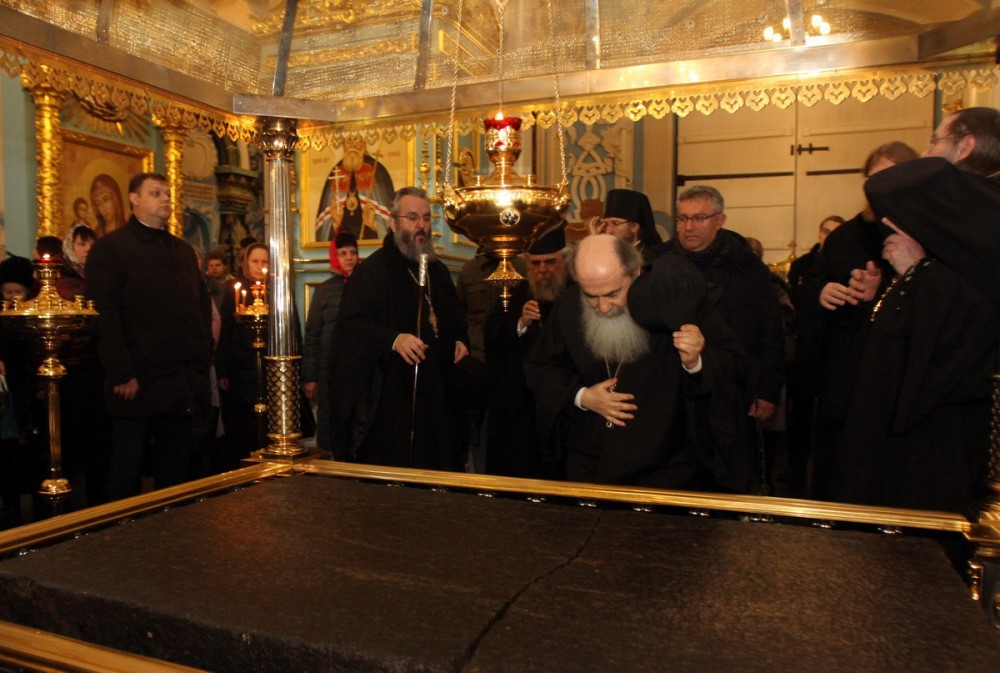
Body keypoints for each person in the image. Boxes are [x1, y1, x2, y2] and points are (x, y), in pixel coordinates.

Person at [826, 156, 1000, 511]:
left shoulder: (970, 268)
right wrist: (879, 295)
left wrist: (918, 271)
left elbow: (956, 340)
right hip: (884, 434)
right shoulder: (921, 265)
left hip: (937, 442)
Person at [524, 234, 749, 489]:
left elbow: (735, 364)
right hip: (589, 463)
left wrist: (696, 360)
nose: (603, 307)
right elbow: (540, 368)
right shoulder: (568, 307)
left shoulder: (675, 297)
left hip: (664, 470)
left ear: (636, 272)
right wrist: (582, 396)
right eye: (591, 296)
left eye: (613, 293)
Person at [85, 172, 212, 499]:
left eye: (167, 193)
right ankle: (121, 529)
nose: (166, 198)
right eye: (156, 193)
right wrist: (121, 372)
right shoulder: (110, 249)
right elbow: (105, 315)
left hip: (180, 382)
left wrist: (201, 358)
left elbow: (199, 306)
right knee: (127, 472)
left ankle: (173, 527)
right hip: (136, 382)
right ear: (134, 199)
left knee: (176, 473)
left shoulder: (182, 251)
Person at [804, 141, 920, 499]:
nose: (877, 188)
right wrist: (822, 292)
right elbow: (809, 286)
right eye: (871, 180)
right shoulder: (844, 236)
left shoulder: (925, 232)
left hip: (899, 377)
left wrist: (882, 290)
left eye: (887, 177)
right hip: (843, 371)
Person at [327, 186, 470, 470]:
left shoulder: (438, 271)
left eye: (426, 218)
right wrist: (393, 339)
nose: (421, 226)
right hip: (392, 401)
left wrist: (459, 340)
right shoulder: (372, 273)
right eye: (412, 217)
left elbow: (456, 318)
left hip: (437, 396)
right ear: (393, 223)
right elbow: (352, 327)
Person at [659, 185, 785, 492]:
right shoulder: (658, 263)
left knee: (728, 475)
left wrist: (768, 390)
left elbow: (771, 331)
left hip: (733, 391)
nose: (689, 226)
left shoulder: (748, 268)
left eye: (699, 218)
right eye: (683, 218)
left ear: (720, 220)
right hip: (674, 391)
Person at [483, 226, 568, 478]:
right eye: (535, 263)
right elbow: (493, 334)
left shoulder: (576, 293)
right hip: (521, 406)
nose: (542, 270)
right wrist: (520, 323)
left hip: (560, 404)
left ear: (564, 260)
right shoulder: (516, 292)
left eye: (550, 262)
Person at [302, 231, 358, 454]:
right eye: (343, 253)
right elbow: (312, 335)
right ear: (334, 256)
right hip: (328, 369)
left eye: (352, 252)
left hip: (356, 366)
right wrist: (311, 377)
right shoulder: (324, 290)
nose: (349, 257)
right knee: (329, 423)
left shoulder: (365, 285)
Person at [314, 136, 396, 241]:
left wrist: (373, 224)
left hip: (370, 242)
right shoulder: (336, 172)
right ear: (343, 145)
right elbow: (322, 230)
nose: (352, 145)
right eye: (348, 140)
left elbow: (391, 224)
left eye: (356, 139)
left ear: (364, 143)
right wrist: (335, 224)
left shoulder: (377, 170)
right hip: (343, 243)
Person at [591, 188, 663, 262]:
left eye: (615, 223)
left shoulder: (652, 259)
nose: (608, 231)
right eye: (606, 224)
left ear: (634, 227)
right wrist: (595, 243)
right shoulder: (608, 250)